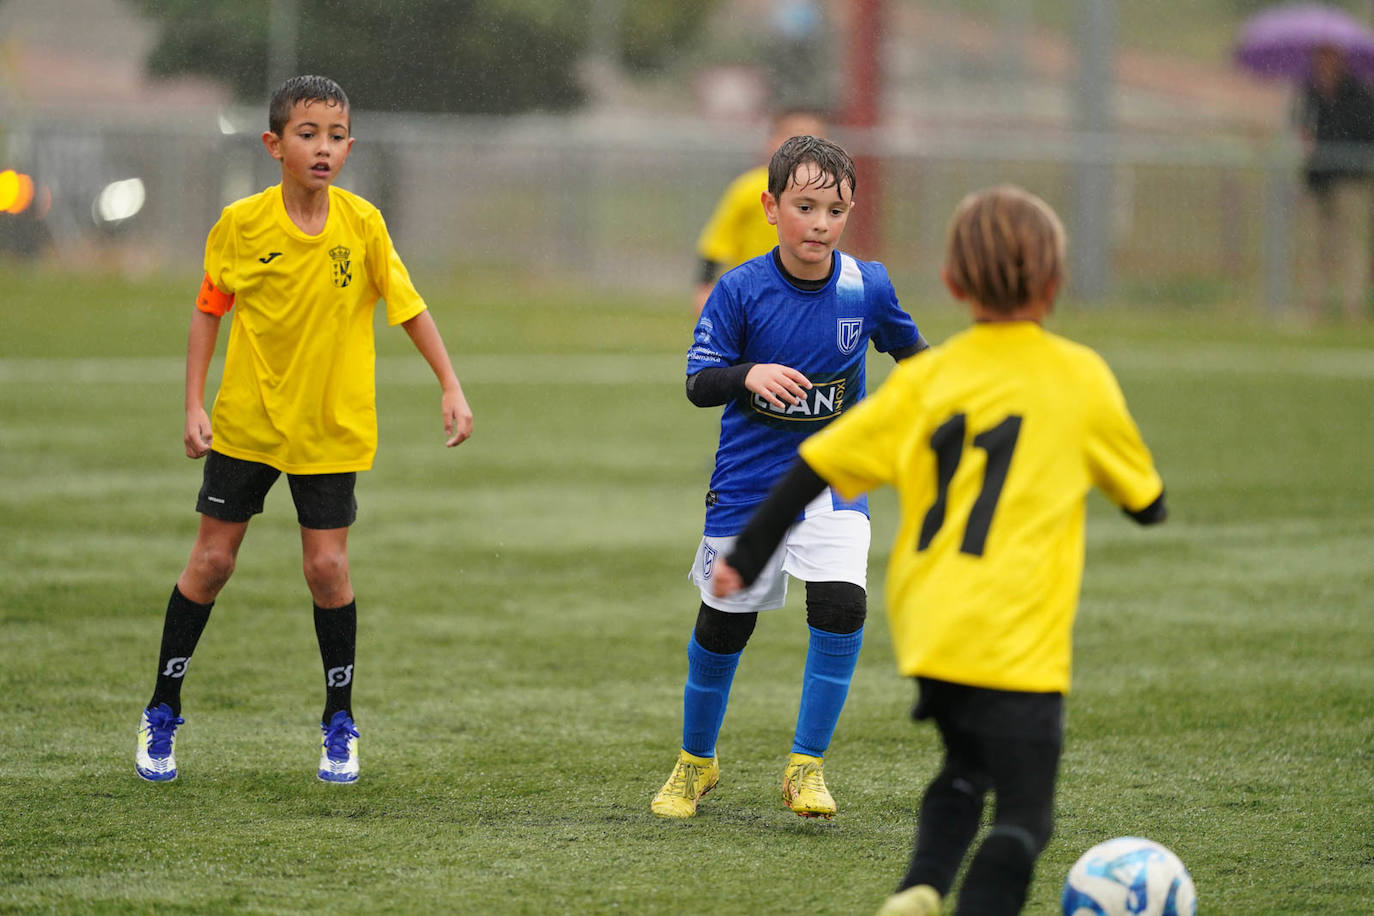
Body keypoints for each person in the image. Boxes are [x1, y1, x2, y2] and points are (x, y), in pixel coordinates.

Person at [711, 186, 1167, 914]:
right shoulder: (1080, 376)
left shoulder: (929, 381)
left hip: (934, 627)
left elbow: (818, 465)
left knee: (961, 769)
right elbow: (1148, 503)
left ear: (954, 285)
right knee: (1023, 817)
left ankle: (918, 889)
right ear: (1055, 284)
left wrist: (752, 549)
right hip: (1022, 630)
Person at [133, 75, 473, 785]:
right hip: (248, 425)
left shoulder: (363, 224)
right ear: (274, 144)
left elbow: (408, 306)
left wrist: (450, 383)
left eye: (337, 135)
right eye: (308, 134)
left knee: (327, 569)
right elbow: (208, 310)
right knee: (212, 564)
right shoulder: (240, 224)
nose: (324, 148)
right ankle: (162, 709)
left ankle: (339, 722)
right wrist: (193, 402)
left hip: (330, 429)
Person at [651, 135, 929, 820]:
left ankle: (806, 767)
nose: (820, 223)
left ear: (850, 212)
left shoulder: (868, 286)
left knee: (841, 608)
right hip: (749, 484)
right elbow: (697, 383)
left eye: (834, 210)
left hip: (835, 482)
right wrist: (748, 374)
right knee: (723, 629)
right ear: (772, 208)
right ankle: (696, 763)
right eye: (805, 206)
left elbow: (917, 359)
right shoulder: (739, 289)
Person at [692, 108, 827, 316]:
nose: (804, 147)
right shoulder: (749, 187)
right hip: (753, 295)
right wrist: (705, 285)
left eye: (813, 139)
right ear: (771, 141)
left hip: (807, 295)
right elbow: (717, 242)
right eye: (792, 137)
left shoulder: (828, 192)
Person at [1297, 44, 1374, 323]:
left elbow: (1365, 132)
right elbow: (1302, 128)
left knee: (1351, 244)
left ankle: (1353, 308)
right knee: (1317, 246)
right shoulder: (1310, 92)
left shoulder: (1359, 93)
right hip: (1318, 180)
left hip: (1349, 180)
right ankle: (1314, 307)